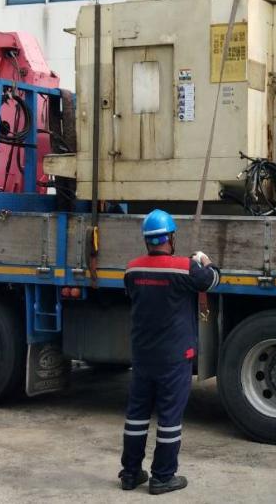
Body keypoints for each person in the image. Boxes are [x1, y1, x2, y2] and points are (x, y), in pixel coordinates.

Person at [119, 209, 220, 495]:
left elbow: (133, 293)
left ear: (147, 240)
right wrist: (204, 260)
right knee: (169, 419)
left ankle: (130, 474)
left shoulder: (132, 269)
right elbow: (212, 280)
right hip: (174, 357)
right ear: (171, 238)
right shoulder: (185, 268)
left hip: (143, 356)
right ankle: (162, 477)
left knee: (136, 415)